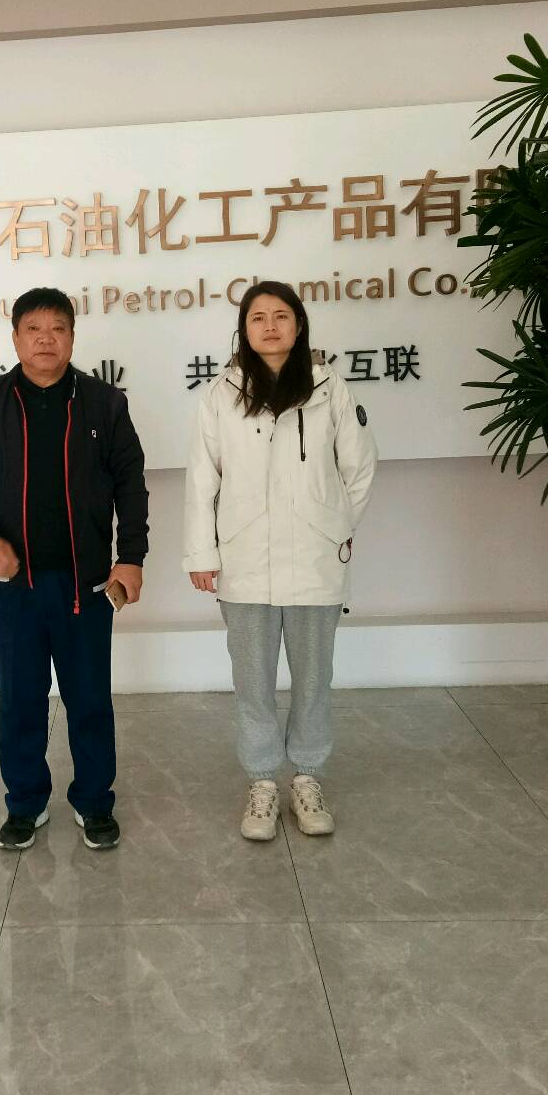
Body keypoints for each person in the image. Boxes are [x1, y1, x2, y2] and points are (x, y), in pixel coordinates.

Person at [0, 287, 148, 852]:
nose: (45, 339)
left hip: (87, 584)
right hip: (14, 587)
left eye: (57, 328)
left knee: (90, 700)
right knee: (20, 699)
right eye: (33, 329)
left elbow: (131, 483)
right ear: (15, 338)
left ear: (72, 339)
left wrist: (131, 557)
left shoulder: (103, 404)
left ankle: (94, 801)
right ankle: (25, 803)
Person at [183, 280, 377, 840]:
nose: (270, 326)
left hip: (316, 561)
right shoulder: (221, 393)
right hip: (245, 559)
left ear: (299, 325)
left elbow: (359, 468)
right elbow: (202, 478)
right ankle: (263, 782)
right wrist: (202, 552)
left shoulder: (328, 387)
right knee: (253, 682)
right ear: (244, 329)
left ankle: (308, 777)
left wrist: (333, 526)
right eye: (258, 317)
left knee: (314, 679)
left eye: (281, 316)